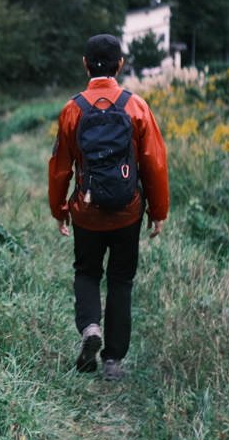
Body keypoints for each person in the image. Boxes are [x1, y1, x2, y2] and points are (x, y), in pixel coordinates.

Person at [48, 34, 169, 381]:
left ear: (85, 64)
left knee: (87, 272)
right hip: (128, 211)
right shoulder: (136, 106)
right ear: (120, 65)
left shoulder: (72, 109)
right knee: (120, 280)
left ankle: (90, 327)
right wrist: (157, 211)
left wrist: (60, 209)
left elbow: (60, 167)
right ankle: (113, 362)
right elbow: (154, 163)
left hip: (87, 210)